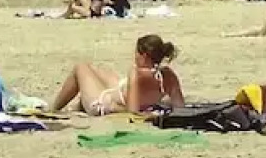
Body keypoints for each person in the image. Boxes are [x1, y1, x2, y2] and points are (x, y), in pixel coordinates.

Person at [51, 34, 184, 116]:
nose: (134, 57)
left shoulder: (136, 73)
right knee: (101, 71)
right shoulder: (168, 74)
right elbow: (180, 107)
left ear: (143, 55)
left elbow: (132, 112)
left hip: (101, 105)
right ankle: (78, 106)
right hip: (120, 94)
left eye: (136, 53)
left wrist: (114, 107)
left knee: (81, 68)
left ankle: (53, 108)